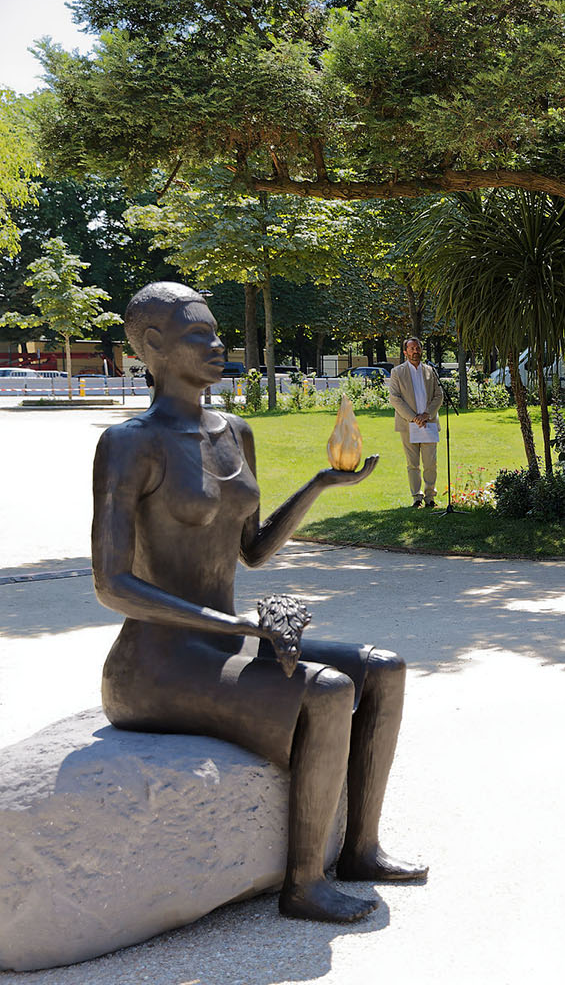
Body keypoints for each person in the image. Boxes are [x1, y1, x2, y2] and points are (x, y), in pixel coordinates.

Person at [92, 282, 425, 924]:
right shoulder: (130, 442)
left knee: (382, 666)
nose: (219, 345)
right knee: (324, 691)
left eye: (217, 332)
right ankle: (303, 885)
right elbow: (112, 585)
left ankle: (361, 848)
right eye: (198, 335)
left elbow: (252, 550)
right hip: (155, 667)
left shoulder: (234, 432)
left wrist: (321, 484)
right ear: (153, 345)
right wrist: (236, 622)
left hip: (222, 644)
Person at [389, 337, 444, 508]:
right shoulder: (397, 372)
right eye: (411, 348)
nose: (415, 351)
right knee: (412, 464)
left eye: (417, 348)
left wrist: (427, 414)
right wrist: (414, 417)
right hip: (408, 425)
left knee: (430, 463)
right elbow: (394, 398)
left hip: (429, 423)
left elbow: (439, 395)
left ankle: (430, 497)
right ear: (405, 352)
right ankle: (416, 498)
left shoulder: (430, 371)